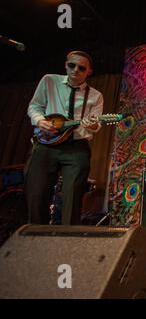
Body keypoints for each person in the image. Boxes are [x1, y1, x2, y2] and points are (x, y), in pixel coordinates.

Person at [25, 50, 103, 225]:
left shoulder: (96, 96)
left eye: (81, 68)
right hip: (46, 144)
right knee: (36, 194)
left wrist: (92, 125)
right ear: (66, 64)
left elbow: (96, 125)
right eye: (72, 65)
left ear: (89, 72)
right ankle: (37, 238)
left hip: (76, 147)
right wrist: (40, 121)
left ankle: (68, 240)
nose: (75, 70)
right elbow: (34, 107)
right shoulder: (49, 81)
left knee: (73, 197)